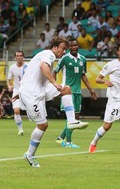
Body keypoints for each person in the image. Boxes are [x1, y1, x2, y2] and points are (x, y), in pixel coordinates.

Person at [18, 36, 89, 167]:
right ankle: (30, 155)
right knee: (43, 125)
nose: (64, 52)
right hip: (32, 94)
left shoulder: (49, 56)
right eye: (63, 49)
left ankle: (71, 120)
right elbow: (43, 66)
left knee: (67, 89)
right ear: (55, 47)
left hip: (40, 90)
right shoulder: (48, 54)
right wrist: (54, 82)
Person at [54, 38, 98, 148]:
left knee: (75, 118)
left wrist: (91, 89)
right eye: (71, 45)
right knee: (71, 118)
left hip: (77, 91)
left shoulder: (83, 59)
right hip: (67, 91)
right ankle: (68, 142)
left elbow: (83, 75)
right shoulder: (64, 58)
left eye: (75, 45)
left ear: (78, 46)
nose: (74, 47)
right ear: (69, 47)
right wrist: (55, 86)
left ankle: (60, 138)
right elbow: (54, 71)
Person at [7, 50, 28, 136]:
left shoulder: (28, 66)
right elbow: (8, 79)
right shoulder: (12, 67)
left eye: (20, 56)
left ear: (23, 57)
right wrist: (9, 85)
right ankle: (20, 130)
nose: (19, 57)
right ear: (15, 57)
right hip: (16, 90)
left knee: (33, 112)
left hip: (27, 91)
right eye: (17, 56)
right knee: (16, 110)